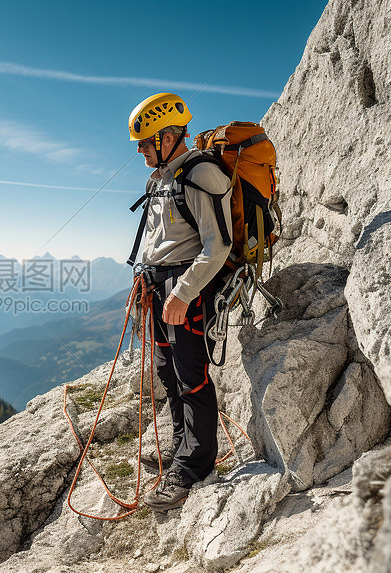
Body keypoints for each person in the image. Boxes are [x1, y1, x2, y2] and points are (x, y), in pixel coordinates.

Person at [127, 93, 232, 511]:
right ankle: (179, 445)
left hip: (184, 287)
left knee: (192, 375)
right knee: (169, 372)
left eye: (146, 142)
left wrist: (183, 293)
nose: (140, 150)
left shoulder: (201, 173)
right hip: (158, 285)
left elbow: (217, 244)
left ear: (169, 137)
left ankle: (194, 466)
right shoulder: (161, 179)